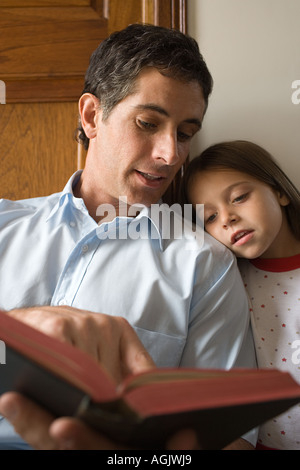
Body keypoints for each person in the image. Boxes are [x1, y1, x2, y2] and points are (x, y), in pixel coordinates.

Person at [0, 25, 256, 450]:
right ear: (91, 116)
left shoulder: (205, 266)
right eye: (148, 123)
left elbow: (229, 439)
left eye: (185, 133)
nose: (170, 154)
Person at [181, 139, 300, 450]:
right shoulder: (225, 283)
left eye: (239, 197)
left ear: (280, 192)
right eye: (209, 217)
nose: (226, 218)